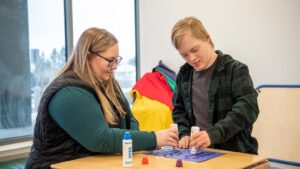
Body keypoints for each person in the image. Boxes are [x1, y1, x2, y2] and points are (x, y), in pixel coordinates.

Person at [25, 27, 178, 169]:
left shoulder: (109, 83)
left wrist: (137, 141)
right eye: (109, 60)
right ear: (88, 56)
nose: (115, 66)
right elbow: (100, 139)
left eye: (116, 60)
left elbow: (130, 119)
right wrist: (154, 139)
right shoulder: (67, 93)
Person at [171, 16, 259, 154]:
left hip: (235, 153)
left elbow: (247, 110)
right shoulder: (184, 75)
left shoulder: (235, 70)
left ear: (208, 39)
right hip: (197, 154)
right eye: (185, 55)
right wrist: (184, 134)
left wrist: (213, 134)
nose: (191, 59)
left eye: (194, 50)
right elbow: (179, 109)